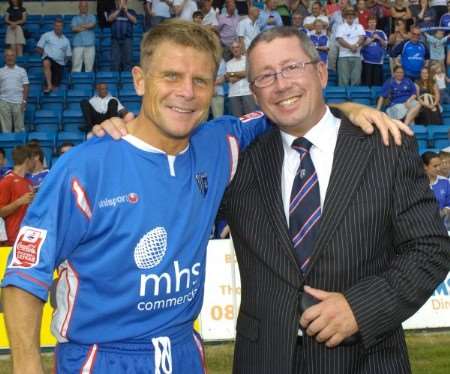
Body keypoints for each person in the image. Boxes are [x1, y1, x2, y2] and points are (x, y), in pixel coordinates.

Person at [1, 20, 409, 374]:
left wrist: (347, 108)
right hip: (101, 356)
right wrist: (27, 363)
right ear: (141, 80)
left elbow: (289, 107)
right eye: (171, 77)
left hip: (184, 351)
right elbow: (24, 277)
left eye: (200, 81)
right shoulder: (85, 167)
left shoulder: (220, 142)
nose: (187, 92)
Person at [219, 27, 450, 373]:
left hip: (367, 360)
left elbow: (430, 248)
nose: (281, 84)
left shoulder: (386, 147)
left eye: (292, 67)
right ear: (253, 92)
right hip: (264, 360)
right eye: (265, 76)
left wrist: (361, 308)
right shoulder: (237, 163)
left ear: (322, 71)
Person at [0, 145, 34, 246]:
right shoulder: (7, 182)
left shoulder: (28, 182)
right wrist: (19, 202)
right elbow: (1, 212)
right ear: (27, 160)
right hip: (12, 239)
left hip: (27, 237)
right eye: (33, 160)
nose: (34, 162)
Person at [36, 18, 72, 93]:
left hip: (59, 64)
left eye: (60, 26)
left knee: (55, 87)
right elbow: (38, 48)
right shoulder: (46, 35)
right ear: (54, 26)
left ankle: (50, 90)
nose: (58, 27)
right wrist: (44, 54)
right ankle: (49, 86)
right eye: (56, 26)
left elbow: (69, 56)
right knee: (46, 62)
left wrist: (64, 62)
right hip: (48, 59)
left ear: (63, 27)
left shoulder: (66, 40)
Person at [225, 40, 257, 117]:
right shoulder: (228, 63)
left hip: (247, 92)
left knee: (251, 118)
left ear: (241, 48)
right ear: (231, 50)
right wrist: (243, 74)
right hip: (234, 94)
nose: (235, 49)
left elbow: (248, 73)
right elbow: (231, 80)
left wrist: (232, 74)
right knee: (238, 119)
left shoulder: (247, 60)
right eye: (233, 48)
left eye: (237, 47)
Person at [0, 48, 29, 133]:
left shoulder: (22, 71)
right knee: (5, 129)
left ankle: (19, 146)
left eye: (12, 55)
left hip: (18, 102)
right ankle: (7, 145)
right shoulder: (0, 71)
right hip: (3, 102)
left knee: (19, 129)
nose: (10, 58)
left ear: (15, 57)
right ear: (4, 58)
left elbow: (26, 86)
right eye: (7, 55)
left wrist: (24, 101)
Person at [336, 6, 365, 86]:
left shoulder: (359, 26)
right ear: (345, 16)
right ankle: (343, 98)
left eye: (352, 14)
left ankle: (354, 98)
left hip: (356, 55)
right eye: (348, 14)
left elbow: (362, 38)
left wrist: (356, 45)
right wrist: (351, 47)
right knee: (343, 80)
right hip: (343, 56)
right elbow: (339, 39)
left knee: (356, 79)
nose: (350, 16)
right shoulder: (340, 27)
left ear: (355, 16)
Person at [107, 0, 137, 72]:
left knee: (128, 61)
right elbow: (109, 19)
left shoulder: (131, 11)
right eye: (120, 2)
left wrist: (126, 12)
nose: (121, 3)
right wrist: (119, 10)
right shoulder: (113, 11)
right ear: (117, 3)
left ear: (126, 3)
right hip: (115, 40)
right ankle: (115, 81)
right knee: (115, 62)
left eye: (123, 2)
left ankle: (126, 81)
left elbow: (135, 21)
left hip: (127, 40)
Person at [422, 151, 450, 226]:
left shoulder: (445, 182)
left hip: (441, 225)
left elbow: (448, 203)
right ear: (425, 166)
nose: (438, 169)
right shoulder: (416, 183)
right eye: (435, 166)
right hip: (421, 225)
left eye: (439, 165)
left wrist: (445, 211)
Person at [361, 15, 387, 86]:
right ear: (367, 23)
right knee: (367, 83)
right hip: (366, 61)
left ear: (376, 23)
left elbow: (385, 45)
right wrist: (372, 39)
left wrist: (379, 38)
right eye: (370, 22)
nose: (372, 24)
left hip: (378, 62)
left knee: (377, 83)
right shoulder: (364, 32)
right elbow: (362, 45)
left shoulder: (381, 32)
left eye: (374, 22)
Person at [71, 1, 97, 73]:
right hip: (77, 45)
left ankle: (88, 83)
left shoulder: (92, 17)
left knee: (89, 69)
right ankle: (76, 83)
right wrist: (87, 26)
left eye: (85, 6)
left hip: (90, 45)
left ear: (87, 7)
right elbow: (74, 28)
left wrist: (80, 26)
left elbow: (92, 25)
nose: (84, 8)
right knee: (76, 68)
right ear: (79, 7)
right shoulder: (75, 18)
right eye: (82, 6)